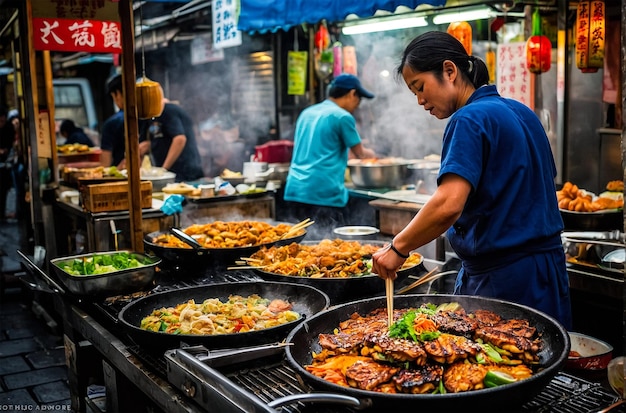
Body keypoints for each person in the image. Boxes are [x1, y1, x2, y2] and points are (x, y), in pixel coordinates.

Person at [372, 31, 572, 329]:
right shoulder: (521, 112)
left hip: (503, 281)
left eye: (420, 87)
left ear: (449, 71)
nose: (419, 100)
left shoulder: (468, 119)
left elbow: (448, 204)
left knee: (498, 370)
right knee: (543, 363)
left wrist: (398, 249)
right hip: (548, 272)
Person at [283, 73, 376, 237]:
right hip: (323, 194)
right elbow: (360, 153)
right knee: (327, 249)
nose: (357, 105)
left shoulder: (307, 112)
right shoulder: (343, 116)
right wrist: (374, 153)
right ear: (352, 93)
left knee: (300, 247)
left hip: (295, 190)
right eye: (358, 100)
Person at [142, 96, 204, 182]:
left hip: (185, 174)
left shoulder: (168, 110)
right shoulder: (152, 116)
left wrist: (163, 170)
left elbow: (180, 139)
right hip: (172, 175)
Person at [100, 74, 149, 169]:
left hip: (121, 175)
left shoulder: (112, 123)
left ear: (117, 94)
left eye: (113, 97)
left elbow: (105, 162)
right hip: (146, 173)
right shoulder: (146, 116)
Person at [0, 108, 14, 220]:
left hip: (5, 162)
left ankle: (2, 213)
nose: (1, 124)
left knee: (4, 188)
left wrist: (6, 150)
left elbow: (11, 143)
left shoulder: (9, 128)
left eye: (3, 121)